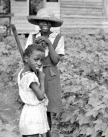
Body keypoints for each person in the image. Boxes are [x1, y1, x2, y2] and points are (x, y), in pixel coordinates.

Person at [25, 8, 64, 137]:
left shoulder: (57, 37)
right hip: (35, 73)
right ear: (38, 23)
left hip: (51, 75)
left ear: (51, 24)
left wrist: (48, 43)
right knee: (35, 104)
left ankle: (48, 133)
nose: (45, 24)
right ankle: (35, 132)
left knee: (48, 108)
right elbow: (26, 57)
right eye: (42, 22)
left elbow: (55, 60)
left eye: (48, 22)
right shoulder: (32, 37)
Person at [18, 43, 49, 137]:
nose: (39, 63)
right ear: (26, 58)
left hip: (29, 112)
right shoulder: (30, 77)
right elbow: (40, 96)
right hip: (33, 115)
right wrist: (42, 79)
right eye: (36, 59)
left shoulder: (23, 72)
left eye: (41, 60)